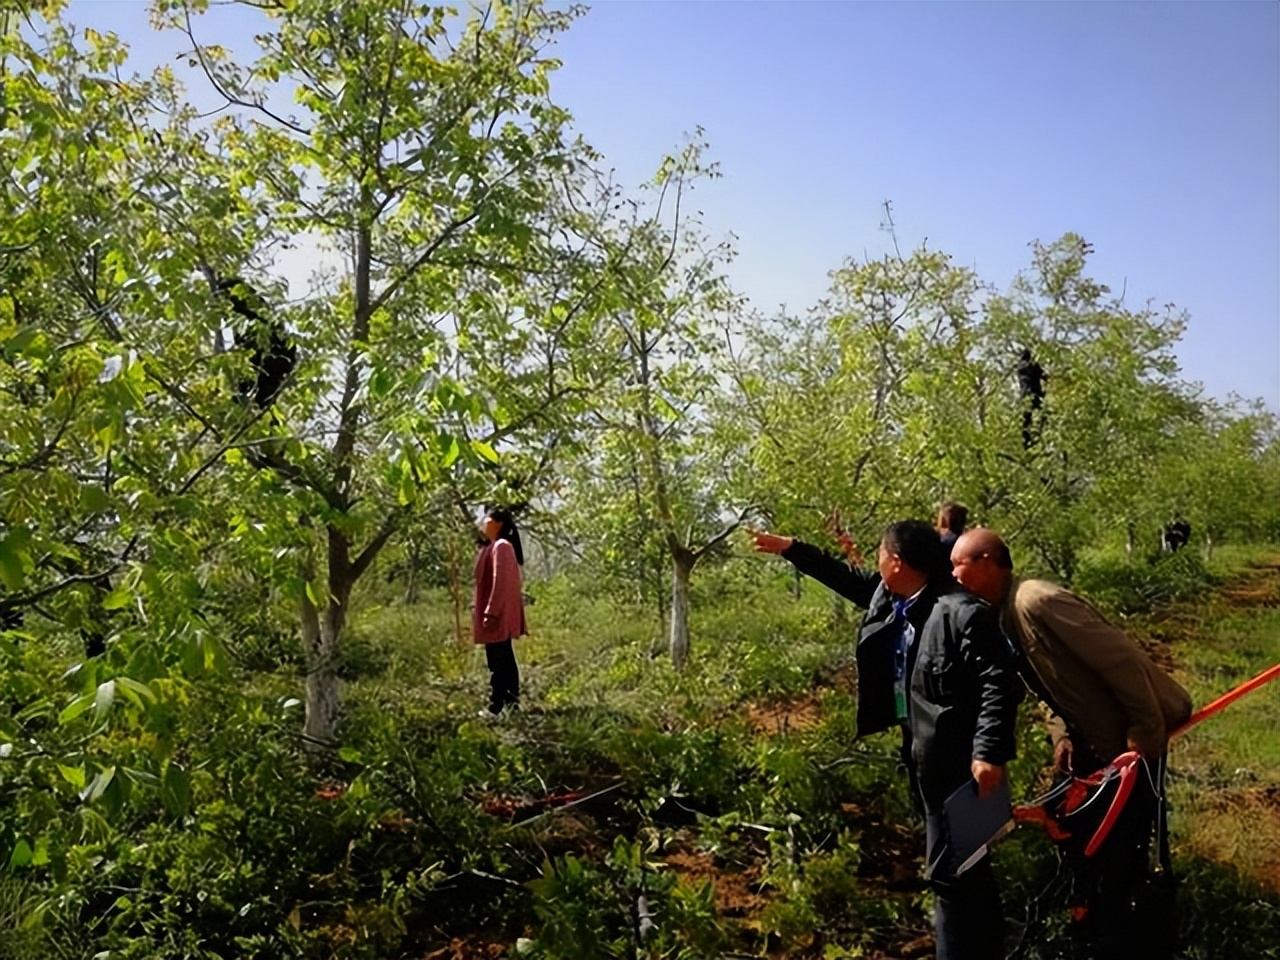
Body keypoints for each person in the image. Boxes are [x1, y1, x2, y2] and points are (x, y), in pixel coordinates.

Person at [752, 520, 1023, 960]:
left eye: (880, 554)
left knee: (952, 874)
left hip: (961, 768)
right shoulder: (895, 598)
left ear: (896, 562)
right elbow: (848, 579)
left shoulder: (958, 612)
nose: (876, 563)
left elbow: (999, 679)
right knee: (966, 872)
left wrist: (988, 750)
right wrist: (793, 549)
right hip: (924, 760)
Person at [949, 528, 1192, 960]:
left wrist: (1143, 734)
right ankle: (1094, 927)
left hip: (1128, 750)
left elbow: (1118, 660)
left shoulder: (1037, 601)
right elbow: (1045, 686)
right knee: (1078, 841)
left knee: (1119, 856)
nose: (953, 574)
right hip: (1094, 748)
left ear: (987, 561)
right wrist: (1063, 736)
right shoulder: (1002, 615)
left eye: (958, 564)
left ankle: (1128, 939)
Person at [473, 507, 527, 715]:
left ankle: (498, 706)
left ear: (497, 523)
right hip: (495, 614)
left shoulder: (502, 547)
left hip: (497, 615)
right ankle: (509, 705)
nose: (483, 522)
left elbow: (500, 583)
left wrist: (491, 612)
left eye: (486, 519)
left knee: (499, 661)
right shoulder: (494, 546)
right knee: (501, 658)